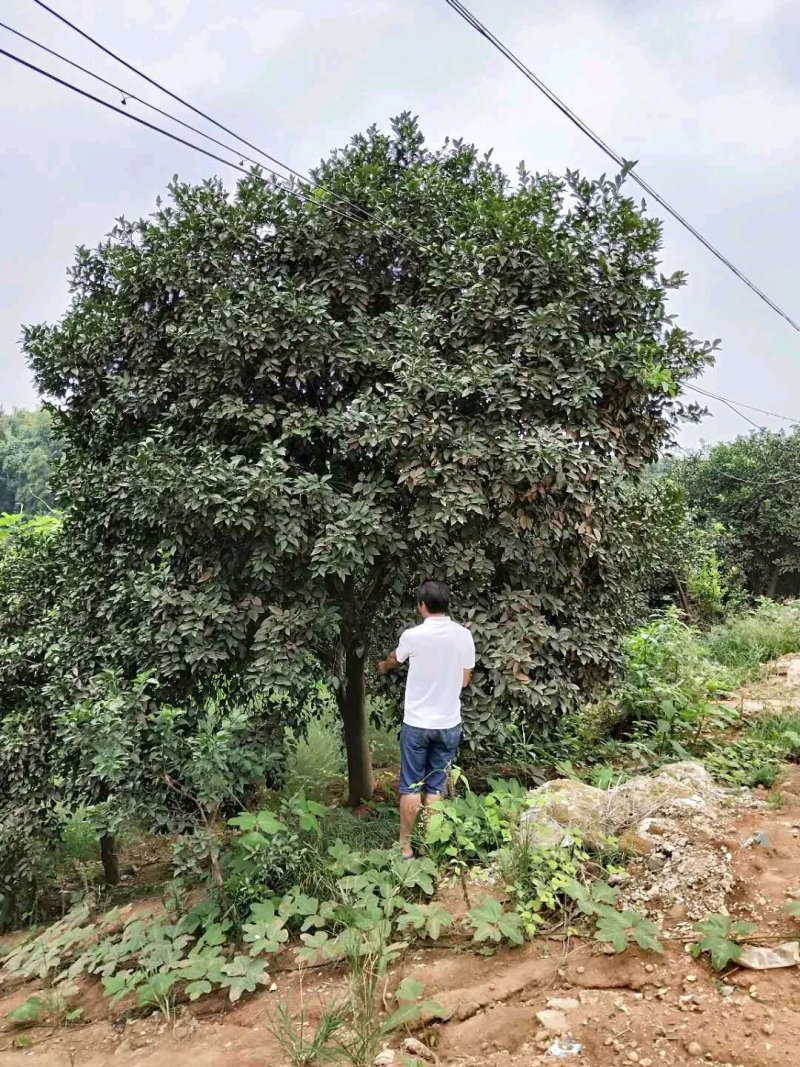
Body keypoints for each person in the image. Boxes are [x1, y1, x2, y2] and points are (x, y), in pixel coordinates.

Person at [376, 580, 475, 859]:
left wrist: (383, 666)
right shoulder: (464, 636)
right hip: (448, 724)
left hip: (417, 725)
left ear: (421, 605)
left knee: (410, 786)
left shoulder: (413, 636)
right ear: (446, 605)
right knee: (435, 789)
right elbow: (465, 680)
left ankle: (405, 847)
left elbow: (395, 659)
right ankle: (428, 846)